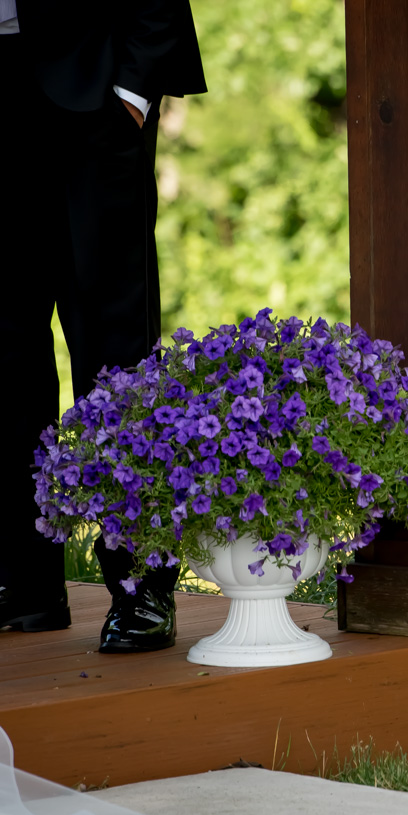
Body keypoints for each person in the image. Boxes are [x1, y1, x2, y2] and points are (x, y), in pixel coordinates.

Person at [0, 1, 206, 652]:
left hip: (93, 99)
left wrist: (132, 89)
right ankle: (26, 582)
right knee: (5, 355)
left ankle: (141, 584)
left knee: (113, 350)